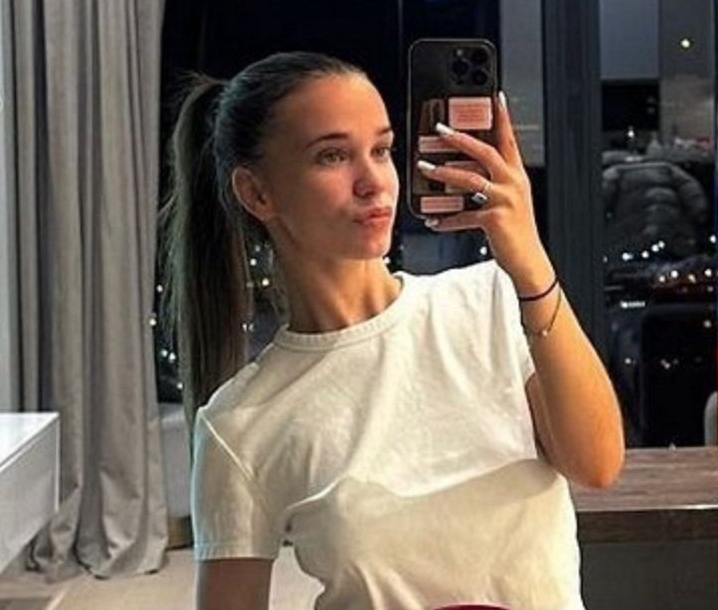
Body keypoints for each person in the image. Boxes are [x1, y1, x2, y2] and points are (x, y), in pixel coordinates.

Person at [160, 51, 624, 610]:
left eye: (380, 150)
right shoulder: (241, 424)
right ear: (258, 194)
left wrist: (531, 265)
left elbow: (596, 464)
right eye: (332, 155)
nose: (373, 181)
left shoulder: (490, 304)